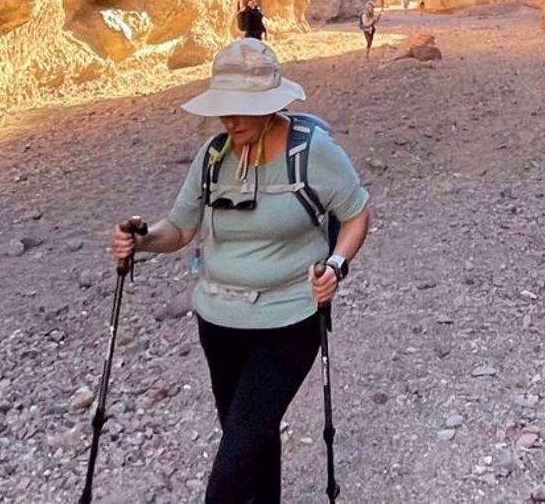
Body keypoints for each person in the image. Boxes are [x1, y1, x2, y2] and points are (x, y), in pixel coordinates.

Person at [110, 38, 371, 504]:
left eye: (241, 108)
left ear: (270, 105)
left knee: (232, 465)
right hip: (218, 323)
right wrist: (142, 240)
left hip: (289, 321)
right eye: (223, 108)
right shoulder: (213, 156)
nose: (229, 120)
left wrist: (336, 265)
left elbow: (355, 214)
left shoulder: (312, 152)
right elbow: (180, 229)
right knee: (252, 437)